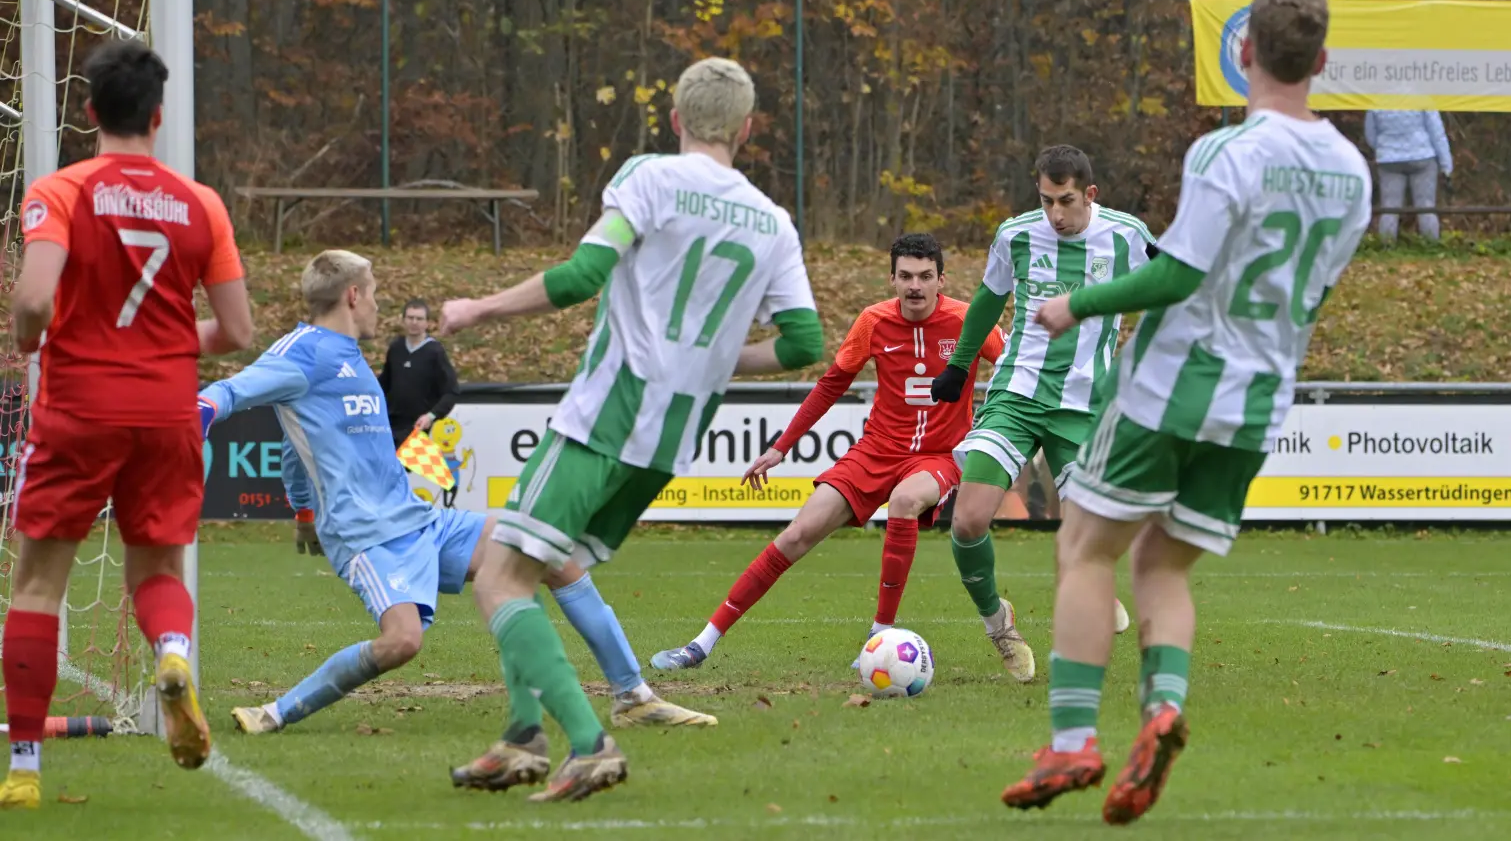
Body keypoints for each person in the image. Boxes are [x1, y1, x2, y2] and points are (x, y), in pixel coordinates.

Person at [1001, 0, 1370, 824]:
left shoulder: (1226, 153)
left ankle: (1071, 742)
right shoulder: (1353, 173)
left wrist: (1075, 304)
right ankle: (1162, 707)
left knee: (1084, 548)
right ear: (1321, 61)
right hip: (1258, 398)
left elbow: (1176, 274)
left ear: (1244, 52)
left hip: (1176, 380)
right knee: (1163, 564)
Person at [438, 56, 824, 803]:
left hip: (604, 417)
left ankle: (589, 745)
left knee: (498, 577)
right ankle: (522, 736)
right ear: (747, 130)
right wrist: (714, 361)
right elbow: (804, 342)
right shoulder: (774, 223)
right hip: (669, 442)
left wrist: (478, 308)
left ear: (675, 118)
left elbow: (582, 276)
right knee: (532, 568)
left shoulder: (650, 178)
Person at [198, 251, 715, 745]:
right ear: (353, 295)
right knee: (402, 642)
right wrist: (198, 415)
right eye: (374, 293)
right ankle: (276, 712)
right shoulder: (300, 352)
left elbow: (296, 439)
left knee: (551, 555)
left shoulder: (350, 356)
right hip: (368, 537)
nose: (379, 304)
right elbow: (230, 392)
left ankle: (634, 697)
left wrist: (304, 512)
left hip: (420, 520)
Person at [0, 39, 255, 810]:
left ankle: (24, 769)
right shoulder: (201, 204)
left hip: (79, 408)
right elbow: (238, 331)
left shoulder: (61, 191)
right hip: (168, 411)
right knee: (157, 571)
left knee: (38, 583)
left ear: (89, 112)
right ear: (158, 115)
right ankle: (172, 654)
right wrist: (166, 345)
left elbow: (35, 298)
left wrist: (28, 338)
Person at [650, 233, 1004, 673]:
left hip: (938, 455)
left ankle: (878, 637)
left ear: (941, 280)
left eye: (925, 276)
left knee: (904, 501)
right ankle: (701, 644)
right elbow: (830, 385)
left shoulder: (968, 320)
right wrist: (781, 447)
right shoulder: (873, 321)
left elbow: (1014, 367)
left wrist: (993, 428)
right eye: (906, 276)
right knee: (796, 535)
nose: (916, 286)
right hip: (876, 450)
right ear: (892, 279)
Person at [927, 145, 1147, 682]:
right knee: (968, 518)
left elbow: (1175, 291)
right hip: (1018, 393)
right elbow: (988, 299)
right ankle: (999, 625)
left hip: (1083, 403)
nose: (1055, 214)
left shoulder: (1127, 237)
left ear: (1089, 194)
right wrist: (959, 365)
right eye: (1046, 200)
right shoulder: (1016, 235)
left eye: (1065, 201)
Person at [379, 298, 459, 449]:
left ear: (427, 323)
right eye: (410, 318)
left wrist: (431, 416)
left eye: (419, 318)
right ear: (403, 320)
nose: (414, 322)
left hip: (418, 428)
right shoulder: (396, 348)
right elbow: (384, 384)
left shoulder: (435, 352)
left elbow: (452, 391)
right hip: (390, 426)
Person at [1364, 108, 1451, 241]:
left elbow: (1370, 134)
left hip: (1389, 159)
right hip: (1422, 155)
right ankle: (1431, 243)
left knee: (1389, 207)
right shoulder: (1422, 99)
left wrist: (1384, 148)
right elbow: (1437, 133)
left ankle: (1386, 245)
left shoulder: (1378, 100)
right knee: (1426, 205)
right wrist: (1446, 164)